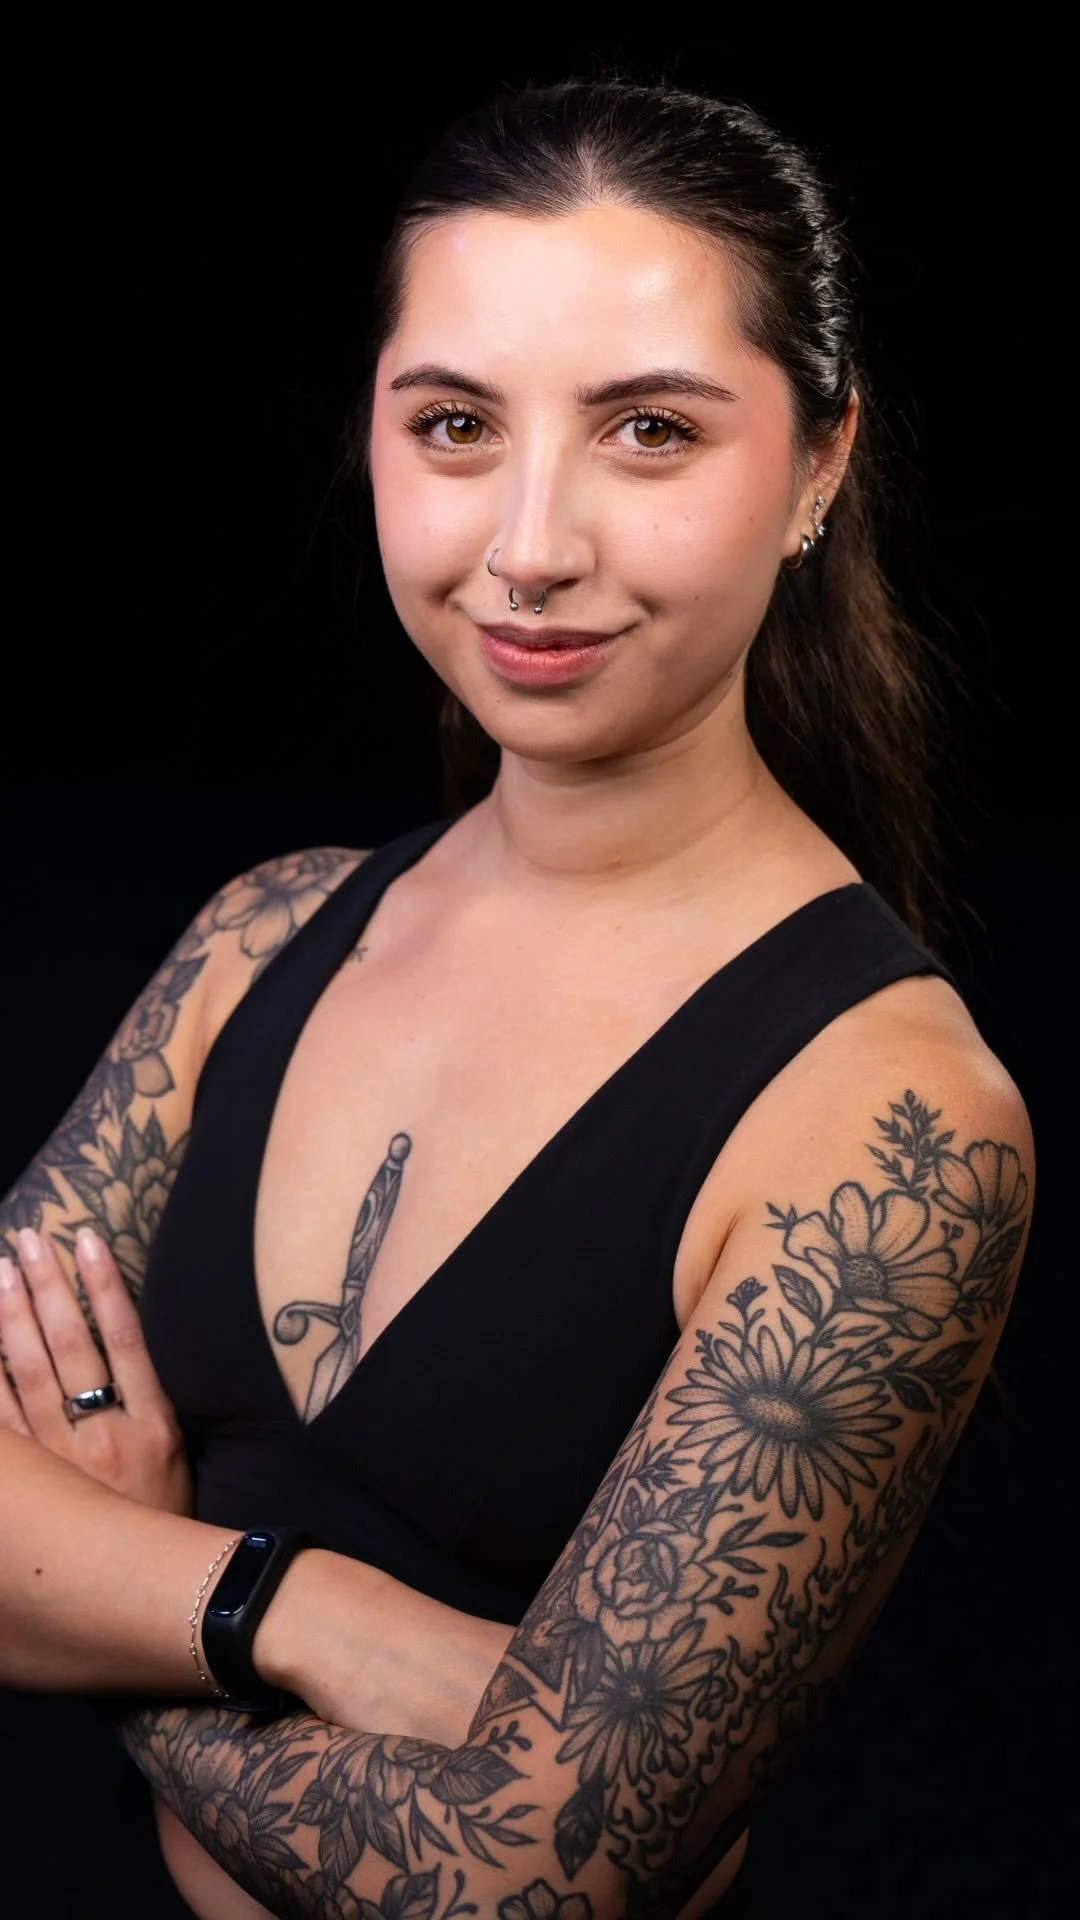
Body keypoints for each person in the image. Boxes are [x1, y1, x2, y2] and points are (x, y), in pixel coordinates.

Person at [0, 78, 1032, 1920]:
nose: (531, 543)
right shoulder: (259, 940)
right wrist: (301, 1614)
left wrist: (120, 1589)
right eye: (458, 425)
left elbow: (529, 1882)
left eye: (650, 430)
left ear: (821, 467)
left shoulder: (893, 1125)